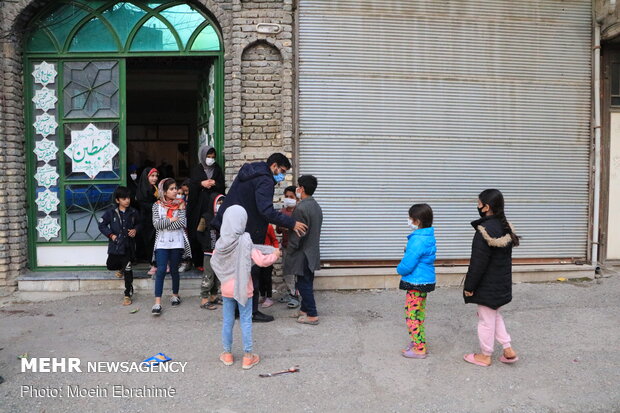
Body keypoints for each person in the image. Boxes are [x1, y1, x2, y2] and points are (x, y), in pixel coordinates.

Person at [212, 153, 308, 323]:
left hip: (228, 226)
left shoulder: (250, 172)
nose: (282, 176)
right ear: (274, 166)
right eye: (282, 171)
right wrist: (291, 223)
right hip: (246, 230)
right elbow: (266, 211)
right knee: (252, 270)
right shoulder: (265, 180)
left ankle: (235, 310)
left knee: (236, 270)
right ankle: (251, 311)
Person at [212, 206, 280, 369]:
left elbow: (215, 260)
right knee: (246, 321)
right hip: (245, 288)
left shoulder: (222, 242)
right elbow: (261, 261)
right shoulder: (245, 240)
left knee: (228, 321)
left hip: (227, 289)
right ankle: (248, 356)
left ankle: (227, 354)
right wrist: (275, 255)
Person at [463, 189, 520, 367]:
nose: (477, 206)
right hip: (500, 284)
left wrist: (469, 286)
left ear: (486, 207)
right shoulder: (505, 227)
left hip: (487, 285)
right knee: (493, 315)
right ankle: (508, 349)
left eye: (479, 203)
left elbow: (478, 264)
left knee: (486, 321)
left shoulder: (484, 231)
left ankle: (485, 355)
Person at [396, 204, 436, 359]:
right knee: (419, 314)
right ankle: (419, 342)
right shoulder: (427, 236)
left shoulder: (417, 239)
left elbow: (408, 263)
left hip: (416, 282)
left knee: (411, 315)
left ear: (417, 221)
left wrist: (399, 269)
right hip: (424, 281)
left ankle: (419, 348)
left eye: (410, 218)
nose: (408, 221)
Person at [284, 175, 323, 325]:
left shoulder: (300, 208)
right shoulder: (315, 206)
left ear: (303, 189)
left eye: (298, 186)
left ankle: (312, 314)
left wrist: (291, 250)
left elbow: (297, 235)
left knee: (303, 284)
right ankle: (304, 310)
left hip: (302, 253)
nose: (297, 189)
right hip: (312, 251)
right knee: (307, 280)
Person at [151, 178, 191, 316]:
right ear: (164, 191)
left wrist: (167, 222)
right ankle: (157, 302)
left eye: (175, 188)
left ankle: (175, 294)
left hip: (177, 242)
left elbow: (181, 223)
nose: (175, 191)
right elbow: (156, 225)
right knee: (161, 270)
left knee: (174, 269)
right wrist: (171, 219)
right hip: (162, 242)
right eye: (172, 189)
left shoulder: (181, 204)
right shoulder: (156, 206)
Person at [98, 186, 139, 306]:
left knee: (128, 269)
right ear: (117, 200)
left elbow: (140, 223)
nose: (127, 200)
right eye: (124, 198)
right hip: (116, 246)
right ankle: (120, 268)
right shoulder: (111, 213)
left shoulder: (133, 212)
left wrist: (135, 230)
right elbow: (102, 225)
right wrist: (111, 235)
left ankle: (127, 294)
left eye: (128, 198)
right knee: (110, 265)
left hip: (128, 246)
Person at [189, 145, 225, 271]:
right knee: (197, 232)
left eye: (212, 157)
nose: (210, 159)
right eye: (208, 157)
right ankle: (198, 262)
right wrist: (201, 184)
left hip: (212, 207)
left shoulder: (217, 170)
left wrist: (214, 183)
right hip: (197, 208)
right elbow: (192, 186)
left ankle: (214, 262)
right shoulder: (197, 170)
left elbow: (222, 187)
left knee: (212, 233)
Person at [198, 193, 226, 310]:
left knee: (216, 276)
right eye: (218, 203)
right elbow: (199, 232)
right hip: (209, 252)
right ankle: (204, 298)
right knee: (208, 275)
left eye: (222, 203)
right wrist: (206, 244)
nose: (220, 205)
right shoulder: (206, 217)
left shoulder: (223, 217)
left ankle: (214, 296)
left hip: (219, 252)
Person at [276, 186, 300, 308]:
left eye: (291, 197)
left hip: (296, 248)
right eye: (286, 197)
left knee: (294, 272)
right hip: (285, 246)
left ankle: (295, 296)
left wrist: (290, 227)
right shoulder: (283, 212)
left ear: (297, 198)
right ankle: (290, 292)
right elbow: (278, 230)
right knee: (286, 272)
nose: (288, 199)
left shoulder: (299, 211)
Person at [136, 167, 159, 275]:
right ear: (146, 177)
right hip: (147, 220)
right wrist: (157, 205)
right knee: (150, 242)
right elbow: (143, 204)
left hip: (155, 219)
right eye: (152, 176)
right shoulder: (143, 189)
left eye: (156, 176)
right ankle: (153, 264)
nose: (155, 178)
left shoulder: (155, 188)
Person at [258, 224, 279, 308]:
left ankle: (269, 297)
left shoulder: (268, 226)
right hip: (257, 255)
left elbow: (274, 240)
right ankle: (262, 295)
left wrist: (276, 252)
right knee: (259, 277)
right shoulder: (253, 226)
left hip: (267, 255)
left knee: (267, 277)